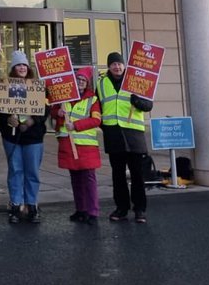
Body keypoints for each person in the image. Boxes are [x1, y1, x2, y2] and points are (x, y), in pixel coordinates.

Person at [98, 51, 154, 223]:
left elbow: (148, 105)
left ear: (124, 65)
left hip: (133, 135)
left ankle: (140, 209)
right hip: (113, 135)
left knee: (137, 174)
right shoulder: (101, 84)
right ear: (109, 66)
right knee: (118, 175)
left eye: (119, 63)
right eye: (113, 64)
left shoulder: (136, 82)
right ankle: (121, 208)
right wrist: (105, 127)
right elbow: (98, 108)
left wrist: (137, 101)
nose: (117, 66)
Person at [0, 50, 49, 224]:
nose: (21, 68)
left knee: (32, 172)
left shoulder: (38, 86)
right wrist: (6, 118)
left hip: (33, 138)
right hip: (12, 138)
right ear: (13, 68)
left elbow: (46, 108)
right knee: (15, 171)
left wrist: (33, 120)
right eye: (18, 65)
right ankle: (16, 205)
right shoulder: (5, 86)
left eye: (24, 65)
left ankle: (32, 205)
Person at [52, 67, 101, 224]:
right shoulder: (64, 97)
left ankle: (93, 212)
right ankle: (81, 210)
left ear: (87, 83)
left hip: (86, 146)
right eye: (77, 79)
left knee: (89, 179)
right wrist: (57, 113)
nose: (80, 82)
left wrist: (76, 125)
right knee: (75, 179)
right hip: (68, 143)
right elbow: (54, 111)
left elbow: (96, 120)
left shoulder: (92, 99)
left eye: (83, 80)